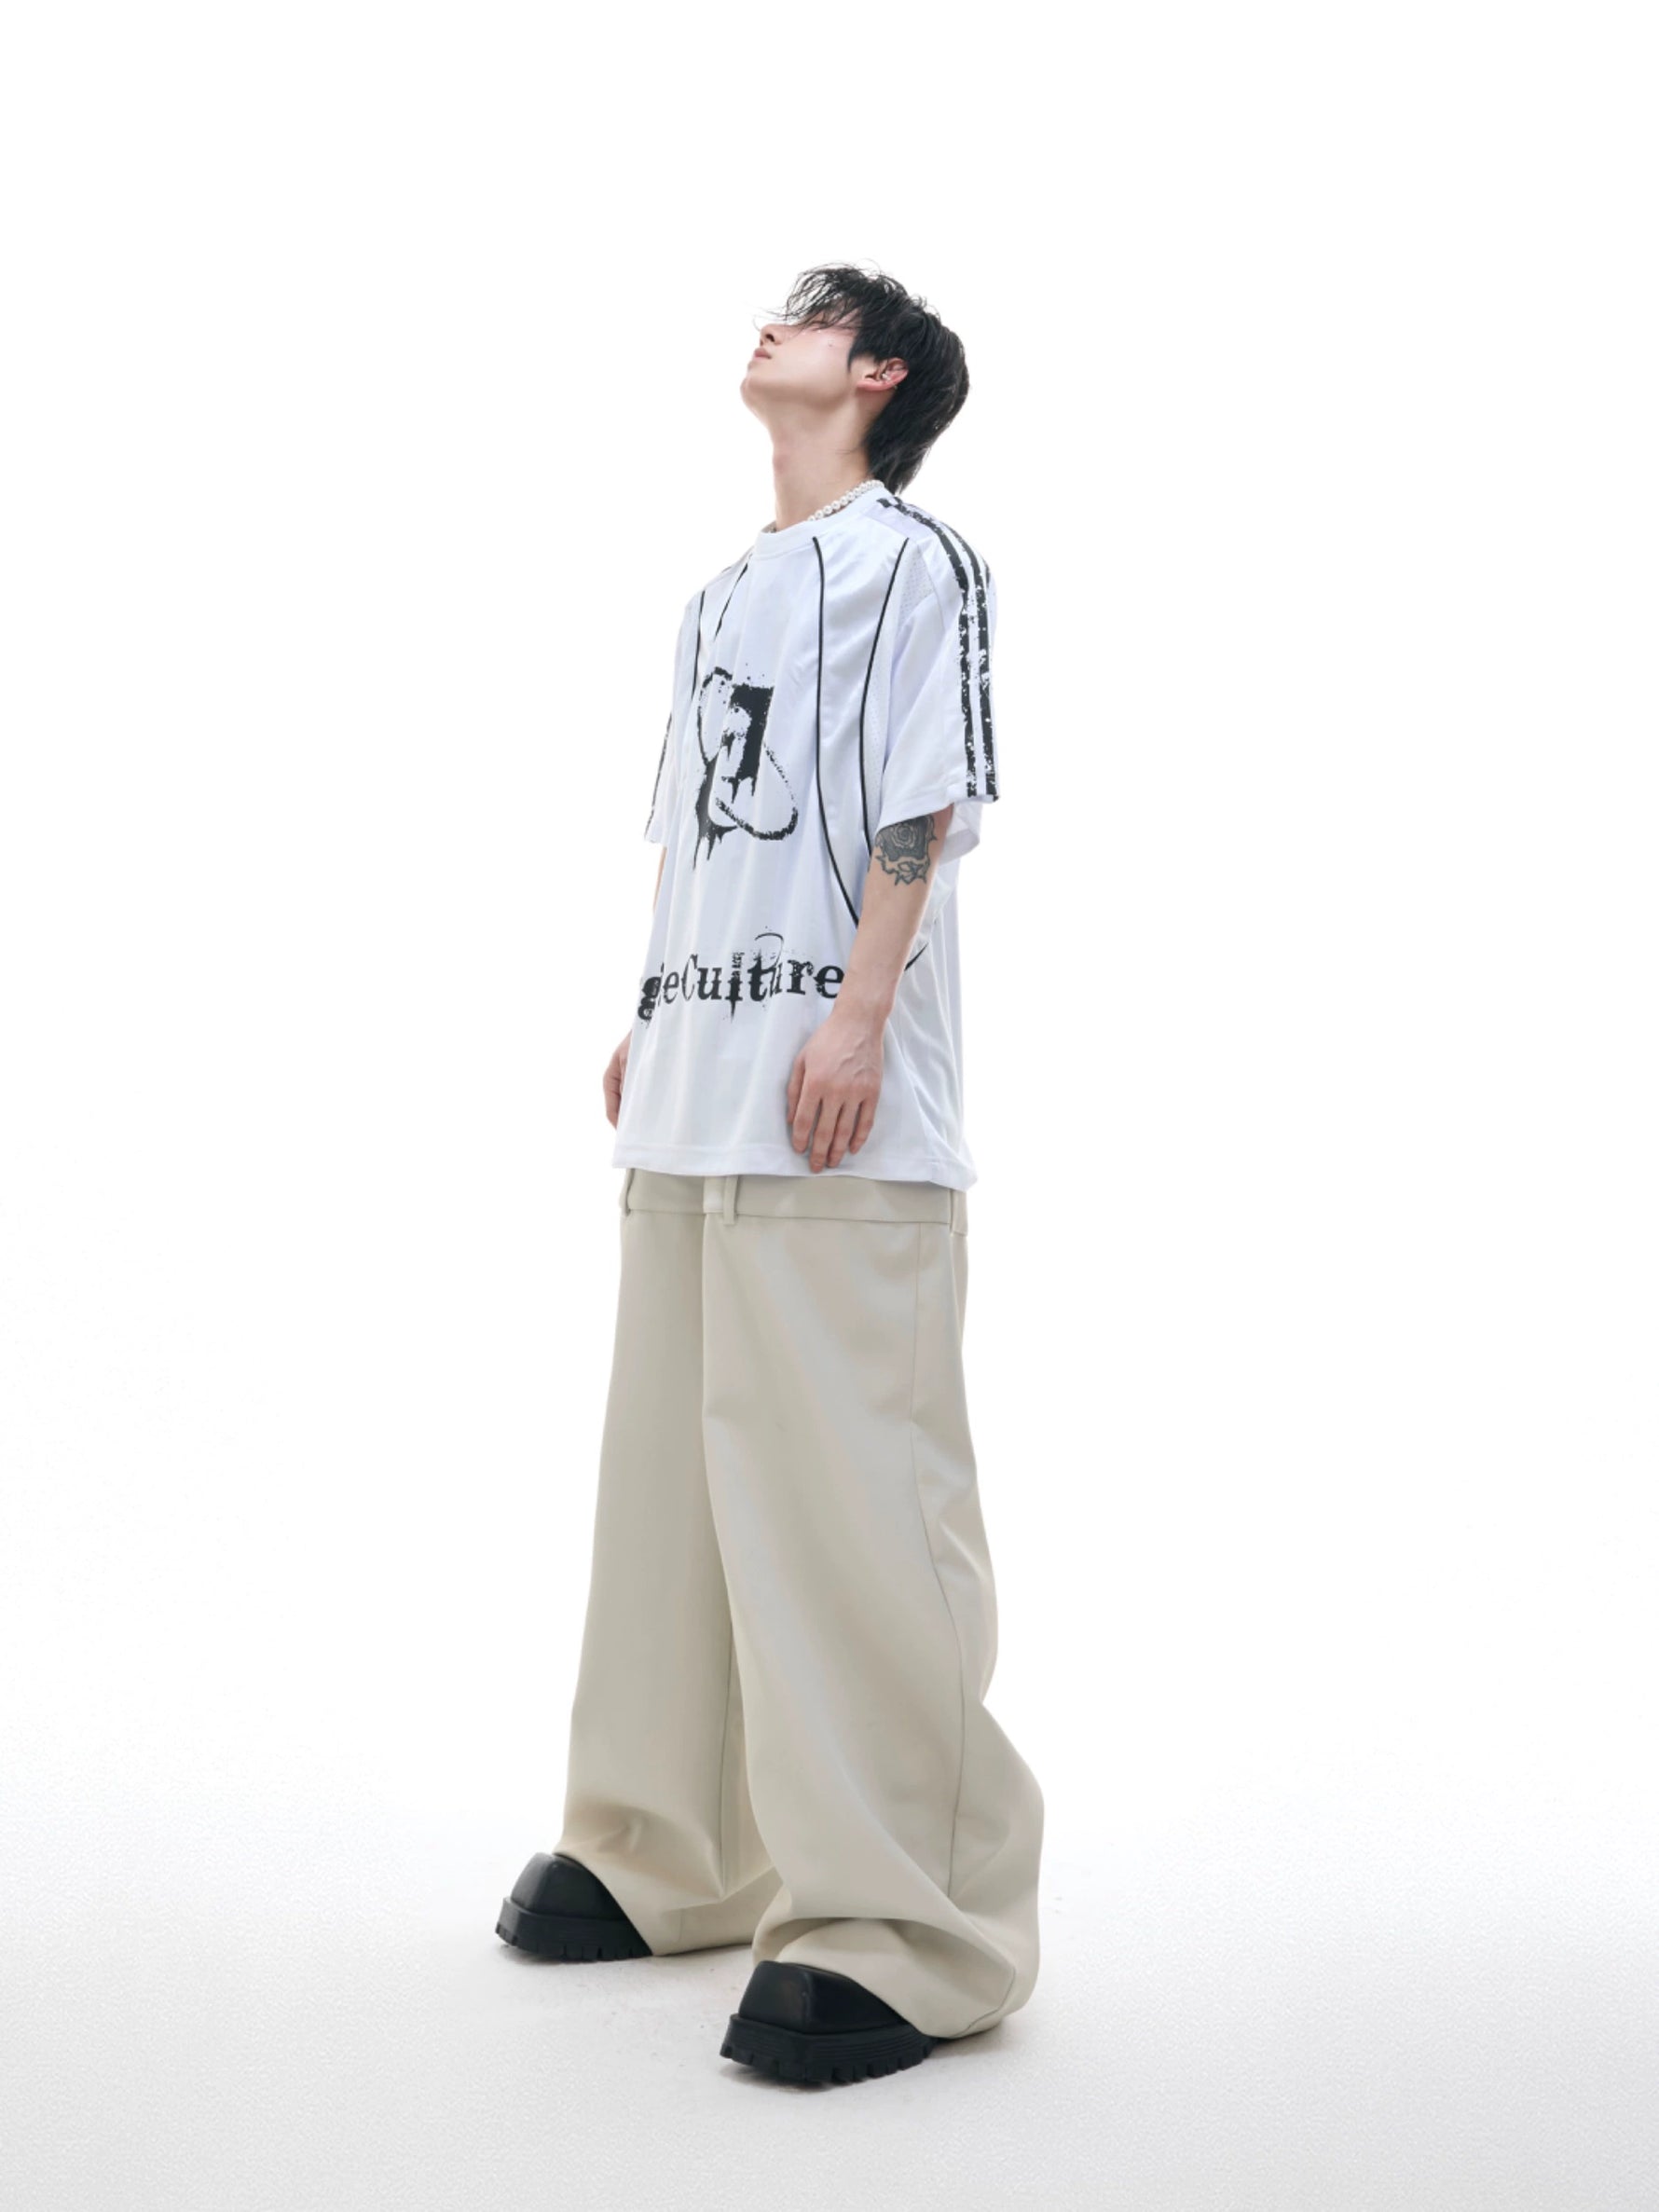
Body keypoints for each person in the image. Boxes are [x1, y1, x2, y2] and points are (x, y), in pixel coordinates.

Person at [496, 264, 1044, 2088]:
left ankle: (915, 1922)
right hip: (700, 1088)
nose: (768, 327)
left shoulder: (914, 561)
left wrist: (858, 1014)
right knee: (669, 1490)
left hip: (833, 1101)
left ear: (876, 373)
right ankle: (670, 1846)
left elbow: (922, 800)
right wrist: (652, 1009)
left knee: (852, 1502)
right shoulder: (720, 590)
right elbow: (694, 829)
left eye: (808, 316)